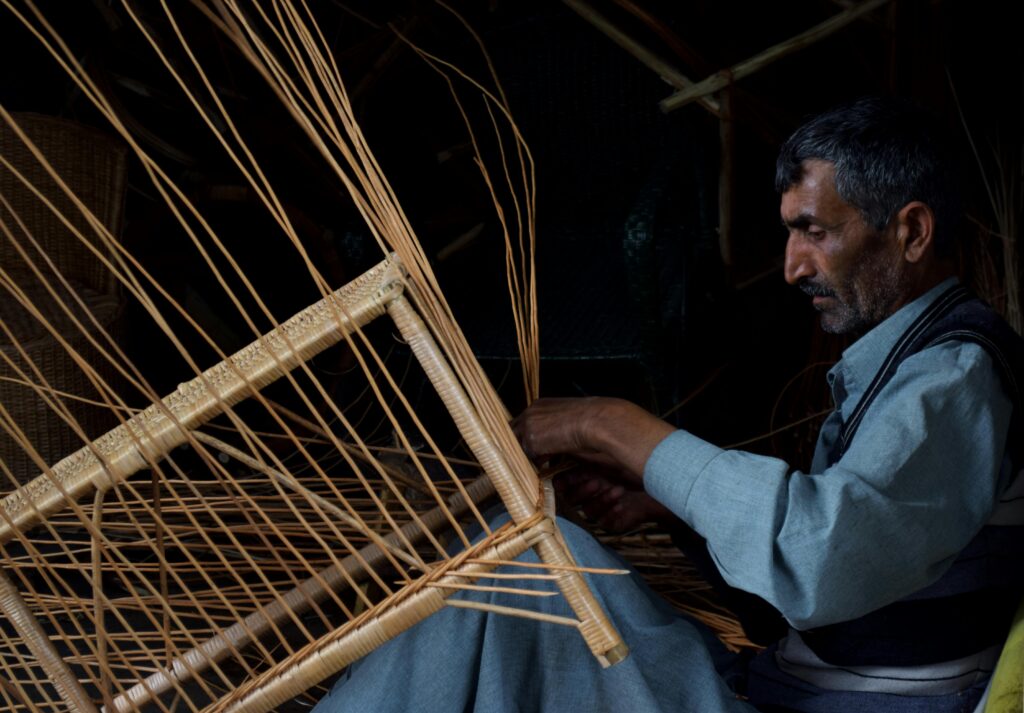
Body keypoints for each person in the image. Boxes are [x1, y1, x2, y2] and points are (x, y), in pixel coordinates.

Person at [313, 96, 1024, 712]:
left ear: (911, 232)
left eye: (817, 231)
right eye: (789, 232)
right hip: (773, 687)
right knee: (526, 558)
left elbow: (816, 562)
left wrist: (612, 424)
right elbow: (830, 599)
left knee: (513, 573)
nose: (792, 266)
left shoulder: (953, 379)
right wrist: (669, 504)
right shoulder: (910, 365)